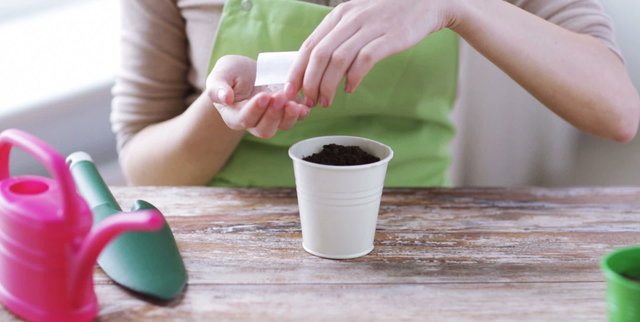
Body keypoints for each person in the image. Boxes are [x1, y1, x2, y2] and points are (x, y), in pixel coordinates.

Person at [112, 0, 640, 186]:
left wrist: (458, 5)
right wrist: (221, 109)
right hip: (229, 247)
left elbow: (616, 110)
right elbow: (146, 171)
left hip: (414, 236)